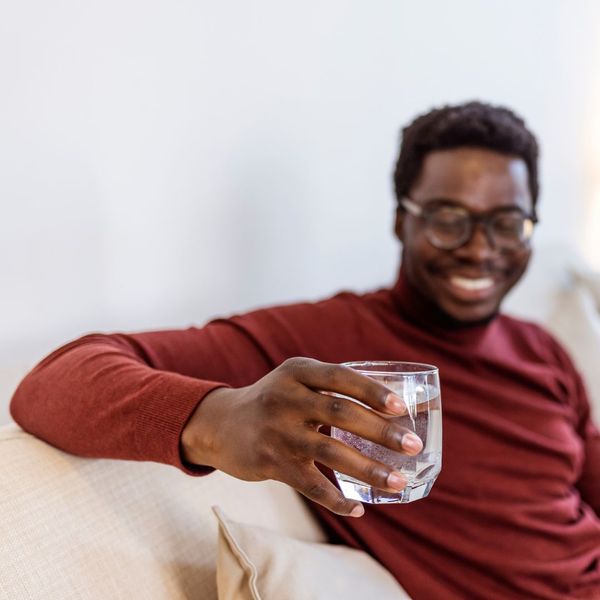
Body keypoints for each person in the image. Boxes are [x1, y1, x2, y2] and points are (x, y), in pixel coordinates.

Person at [10, 101, 600, 599]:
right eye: (449, 220)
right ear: (402, 221)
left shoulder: (542, 350)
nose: (479, 250)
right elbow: (55, 379)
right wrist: (216, 421)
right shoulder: (326, 341)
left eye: (506, 223)